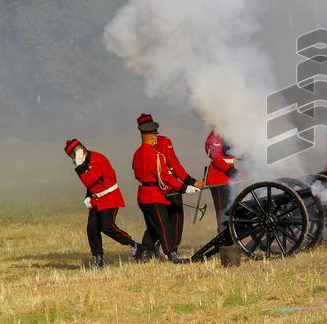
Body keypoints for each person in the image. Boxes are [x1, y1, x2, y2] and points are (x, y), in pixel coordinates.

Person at [132, 114, 199, 263]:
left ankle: (142, 254)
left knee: (153, 226)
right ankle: (172, 254)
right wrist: (184, 187)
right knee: (164, 226)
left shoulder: (137, 153)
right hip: (155, 194)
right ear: (150, 134)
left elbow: (136, 172)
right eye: (154, 133)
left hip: (143, 194)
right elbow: (166, 175)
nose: (157, 135)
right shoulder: (155, 154)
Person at [64, 138, 138, 268]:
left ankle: (134, 246)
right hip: (97, 199)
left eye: (72, 156)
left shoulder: (96, 159)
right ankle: (98, 258)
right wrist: (88, 196)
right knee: (92, 229)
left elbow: (89, 180)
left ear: (78, 151)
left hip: (110, 197)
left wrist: (80, 168)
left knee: (107, 227)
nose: (73, 160)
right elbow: (90, 186)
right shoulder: (84, 161)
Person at [205, 129, 238, 238]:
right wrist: (228, 169)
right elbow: (215, 157)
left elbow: (236, 151)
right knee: (223, 211)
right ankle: (224, 238)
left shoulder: (230, 133)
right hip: (218, 178)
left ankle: (232, 235)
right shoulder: (215, 135)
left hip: (231, 177)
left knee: (232, 209)